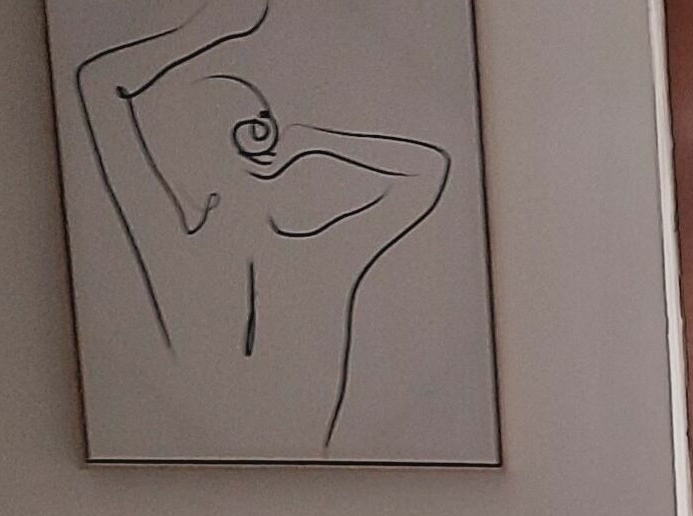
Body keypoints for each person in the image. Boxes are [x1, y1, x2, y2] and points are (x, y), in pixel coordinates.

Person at [74, 0, 451, 454]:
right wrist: (312, 140)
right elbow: (426, 171)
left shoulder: (171, 249)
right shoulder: (323, 257)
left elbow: (100, 85)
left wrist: (204, 32)